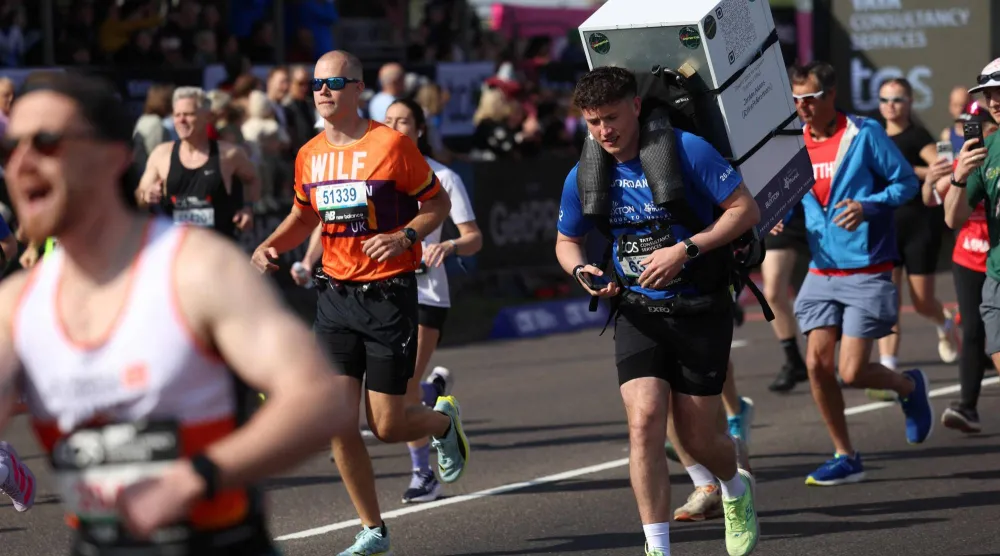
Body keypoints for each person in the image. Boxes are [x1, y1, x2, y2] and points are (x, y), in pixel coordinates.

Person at [0, 71, 356, 554]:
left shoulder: (198, 269)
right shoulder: (17, 304)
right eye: (8, 148)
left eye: (45, 142)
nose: (20, 163)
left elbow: (321, 399)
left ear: (113, 157)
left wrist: (196, 477)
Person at [251, 50, 469, 556]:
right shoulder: (308, 153)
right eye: (316, 84)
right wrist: (270, 245)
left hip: (389, 295)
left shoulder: (390, 145)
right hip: (335, 297)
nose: (322, 91)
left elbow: (437, 204)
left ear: (358, 90)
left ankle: (442, 421)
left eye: (334, 83)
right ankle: (374, 528)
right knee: (336, 420)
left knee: (387, 426)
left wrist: (403, 236)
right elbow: (303, 216)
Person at [555, 66, 759, 556]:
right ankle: (657, 546)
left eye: (611, 117)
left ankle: (736, 487)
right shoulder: (585, 170)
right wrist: (582, 271)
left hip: (700, 306)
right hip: (637, 310)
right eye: (592, 122)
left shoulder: (688, 150)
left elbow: (744, 210)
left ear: (636, 107)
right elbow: (566, 242)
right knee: (644, 421)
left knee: (698, 439)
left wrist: (684, 250)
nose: (604, 131)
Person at [786, 62, 933, 486]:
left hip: (867, 268)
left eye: (810, 99)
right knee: (816, 364)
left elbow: (905, 183)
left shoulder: (864, 134)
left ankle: (908, 386)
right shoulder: (794, 142)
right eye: (796, 101)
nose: (803, 108)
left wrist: (867, 205)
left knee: (851, 373)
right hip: (821, 269)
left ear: (831, 96)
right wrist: (777, 216)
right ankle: (845, 454)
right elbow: (794, 196)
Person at [873, 78, 958, 402]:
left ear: (909, 102)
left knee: (922, 301)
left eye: (897, 99)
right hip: (885, 226)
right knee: (888, 299)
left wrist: (909, 170)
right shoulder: (873, 135)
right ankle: (888, 365)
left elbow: (943, 166)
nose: (891, 105)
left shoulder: (917, 136)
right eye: (885, 99)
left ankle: (944, 322)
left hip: (920, 225)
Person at [942, 60, 1000, 427]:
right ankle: (968, 402)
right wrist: (960, 178)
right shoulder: (988, 148)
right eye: (989, 95)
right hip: (996, 276)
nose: (994, 101)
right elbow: (952, 217)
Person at [135, 86, 258, 238]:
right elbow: (140, 195)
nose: (181, 120)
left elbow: (252, 179)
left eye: (188, 114)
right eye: (177, 115)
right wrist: (146, 195)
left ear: (207, 117)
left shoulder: (230, 154)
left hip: (217, 248)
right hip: (177, 250)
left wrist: (247, 208)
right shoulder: (161, 154)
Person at [762, 201, 810, 392]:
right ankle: (794, 360)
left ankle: (823, 360)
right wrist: (765, 213)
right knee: (772, 293)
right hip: (778, 219)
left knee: (810, 297)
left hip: (814, 216)